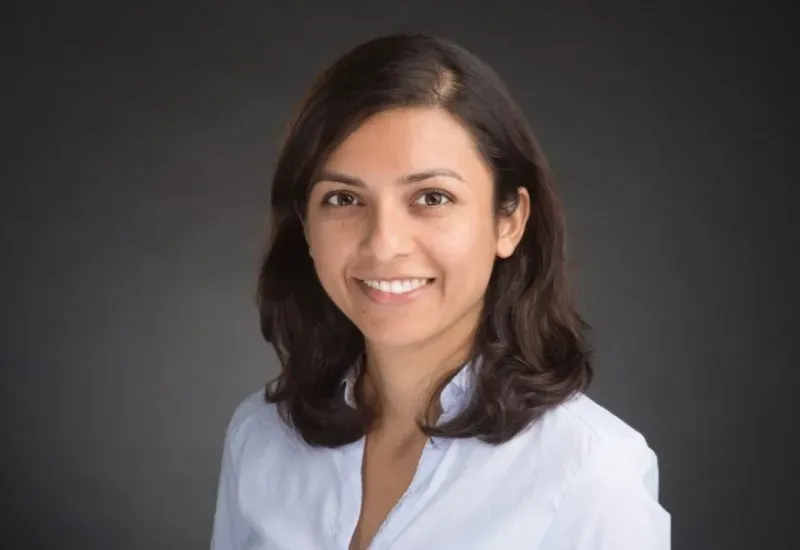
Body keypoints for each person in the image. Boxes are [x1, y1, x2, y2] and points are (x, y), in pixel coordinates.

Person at [210, 33, 670, 550]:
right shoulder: (261, 437)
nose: (383, 245)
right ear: (305, 226)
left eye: (432, 197)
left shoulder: (590, 470)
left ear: (509, 221)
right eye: (343, 198)